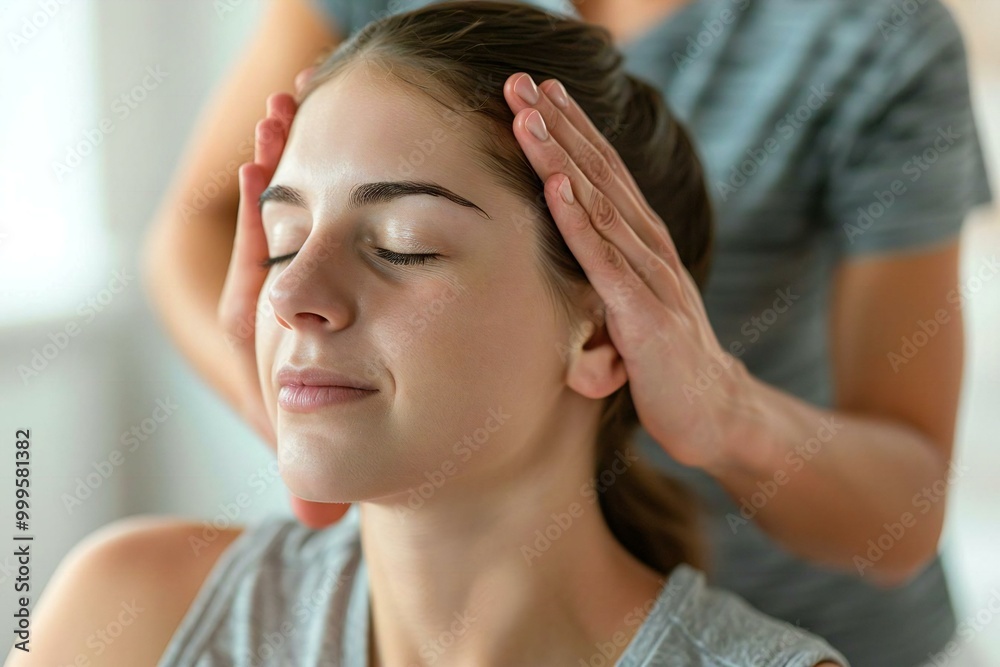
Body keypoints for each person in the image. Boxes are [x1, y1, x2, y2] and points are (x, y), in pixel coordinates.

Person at [137, 0, 991, 666]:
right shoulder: (134, 610)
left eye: (407, 245)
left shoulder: (869, 34)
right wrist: (300, 412)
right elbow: (196, 229)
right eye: (284, 242)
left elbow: (903, 506)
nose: (290, 291)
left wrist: (723, 412)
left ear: (599, 337)